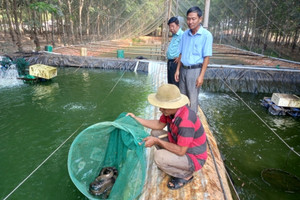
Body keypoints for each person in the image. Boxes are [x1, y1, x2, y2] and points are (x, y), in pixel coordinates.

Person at [127, 84, 207, 190]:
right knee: (155, 132)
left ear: (173, 105)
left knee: (159, 157)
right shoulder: (170, 112)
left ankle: (185, 175)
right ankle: (171, 162)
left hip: (194, 157)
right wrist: (136, 119)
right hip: (181, 146)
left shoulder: (185, 121)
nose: (160, 109)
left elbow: (180, 151)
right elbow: (159, 125)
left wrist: (156, 141)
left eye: (163, 106)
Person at [175, 6, 213, 113]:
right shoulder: (185, 35)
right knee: (182, 98)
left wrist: (201, 76)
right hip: (183, 69)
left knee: (193, 99)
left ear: (200, 19)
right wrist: (178, 70)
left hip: (195, 71)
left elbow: (206, 58)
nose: (190, 21)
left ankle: (192, 124)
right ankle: (182, 121)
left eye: (193, 19)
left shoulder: (206, 35)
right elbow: (181, 54)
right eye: (188, 19)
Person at [166, 17, 184, 87]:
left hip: (176, 63)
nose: (171, 29)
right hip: (170, 62)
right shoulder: (174, 36)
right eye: (170, 27)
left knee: (175, 84)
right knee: (170, 83)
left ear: (178, 25)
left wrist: (180, 57)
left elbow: (185, 47)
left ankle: (175, 97)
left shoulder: (182, 35)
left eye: (173, 26)